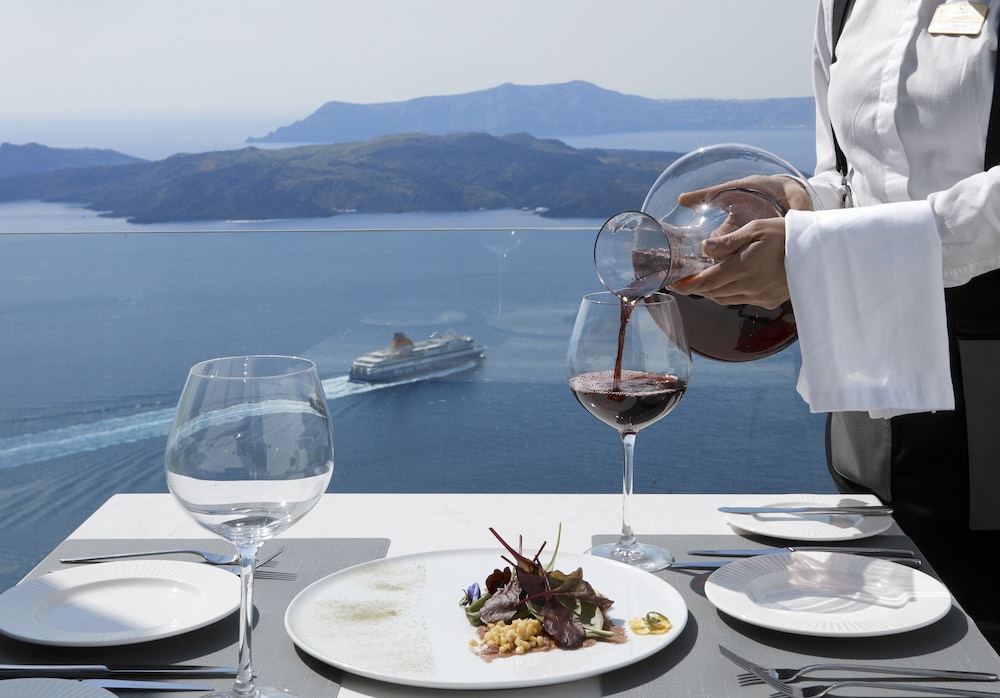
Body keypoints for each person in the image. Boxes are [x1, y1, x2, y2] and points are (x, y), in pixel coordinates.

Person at [672, 0, 1000, 644]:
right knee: (880, 611)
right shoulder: (843, 4)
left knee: (981, 618)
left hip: (987, 368)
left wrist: (822, 253)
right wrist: (801, 204)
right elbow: (848, 174)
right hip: (870, 373)